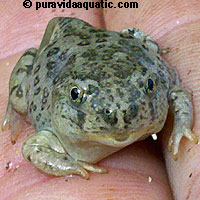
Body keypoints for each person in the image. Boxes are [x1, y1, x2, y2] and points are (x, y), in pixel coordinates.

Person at [0, 0, 199, 199]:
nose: (119, 119)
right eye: (76, 96)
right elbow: (33, 149)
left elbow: (177, 94)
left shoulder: (151, 88)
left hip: (118, 48)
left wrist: (181, 125)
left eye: (148, 87)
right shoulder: (52, 131)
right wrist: (69, 166)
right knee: (20, 101)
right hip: (66, 54)